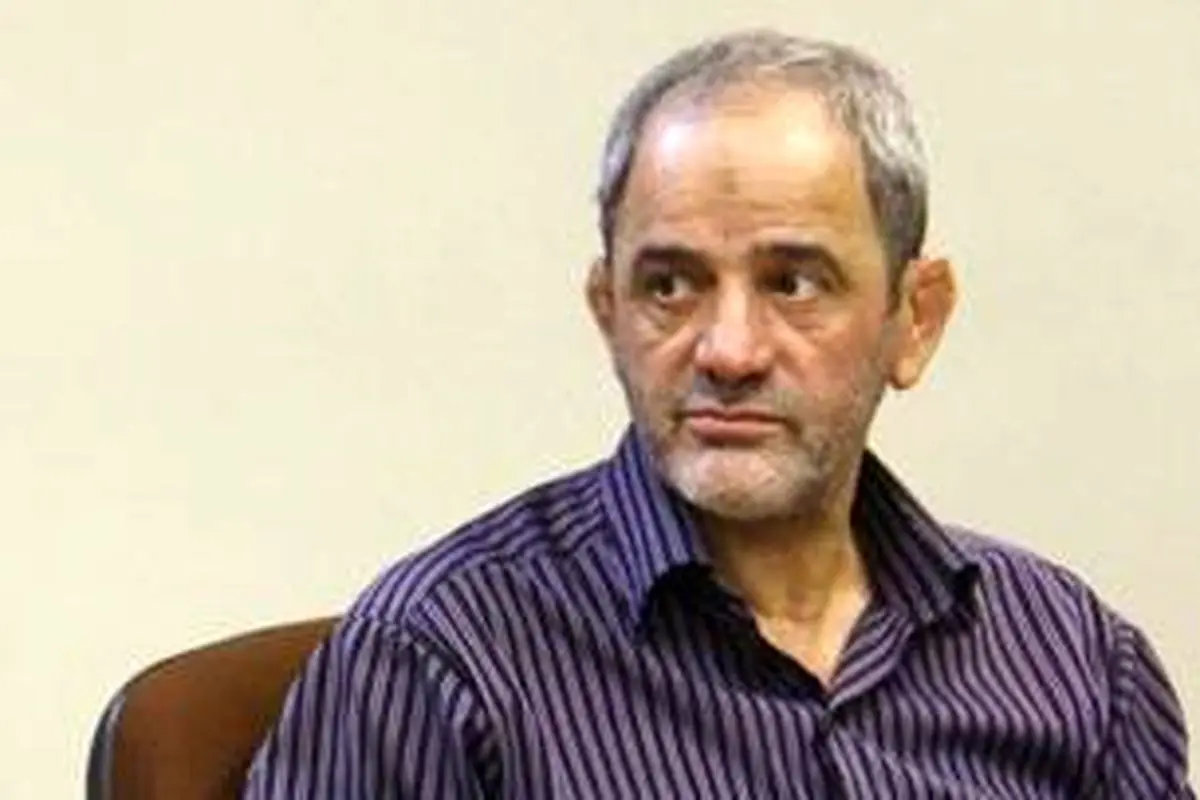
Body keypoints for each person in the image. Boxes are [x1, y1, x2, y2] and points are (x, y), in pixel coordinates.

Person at [243, 29, 1193, 798]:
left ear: (915, 319)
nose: (729, 350)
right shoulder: (442, 655)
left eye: (794, 282)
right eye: (670, 285)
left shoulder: (1067, 655)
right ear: (608, 313)